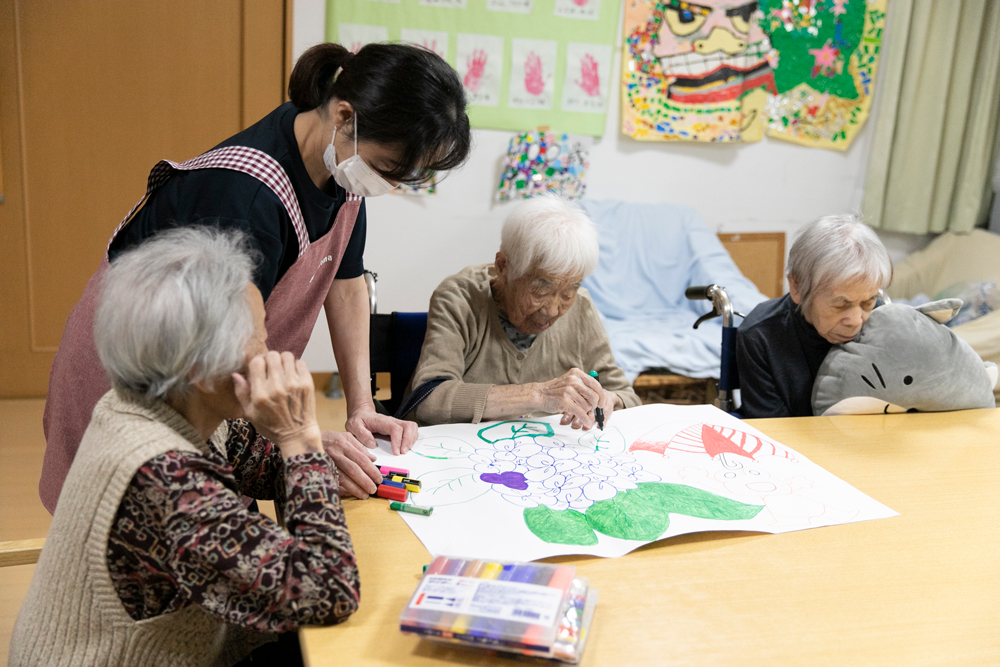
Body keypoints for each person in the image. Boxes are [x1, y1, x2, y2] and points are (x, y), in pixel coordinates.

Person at [40, 42, 471, 510]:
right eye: (389, 170)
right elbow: (231, 348)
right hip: (141, 372)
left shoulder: (341, 165)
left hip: (219, 376)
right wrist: (301, 439)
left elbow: (345, 285)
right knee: (135, 521)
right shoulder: (244, 196)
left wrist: (361, 406)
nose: (390, 186)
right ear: (345, 116)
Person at [10, 229, 357, 666]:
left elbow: (265, 467)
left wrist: (304, 453)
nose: (270, 352)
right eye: (259, 337)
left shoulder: (167, 403)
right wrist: (301, 441)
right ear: (202, 369)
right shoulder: (164, 475)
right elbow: (326, 590)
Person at [409, 196, 641, 427]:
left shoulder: (581, 307)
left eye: (569, 291)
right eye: (541, 289)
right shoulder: (459, 297)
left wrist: (608, 400)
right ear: (503, 267)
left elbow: (627, 396)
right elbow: (429, 399)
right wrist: (539, 396)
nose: (552, 310)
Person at [736, 214, 892, 418]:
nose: (855, 321)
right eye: (840, 304)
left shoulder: (884, 324)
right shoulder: (760, 336)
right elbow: (771, 430)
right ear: (797, 287)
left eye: (868, 302)